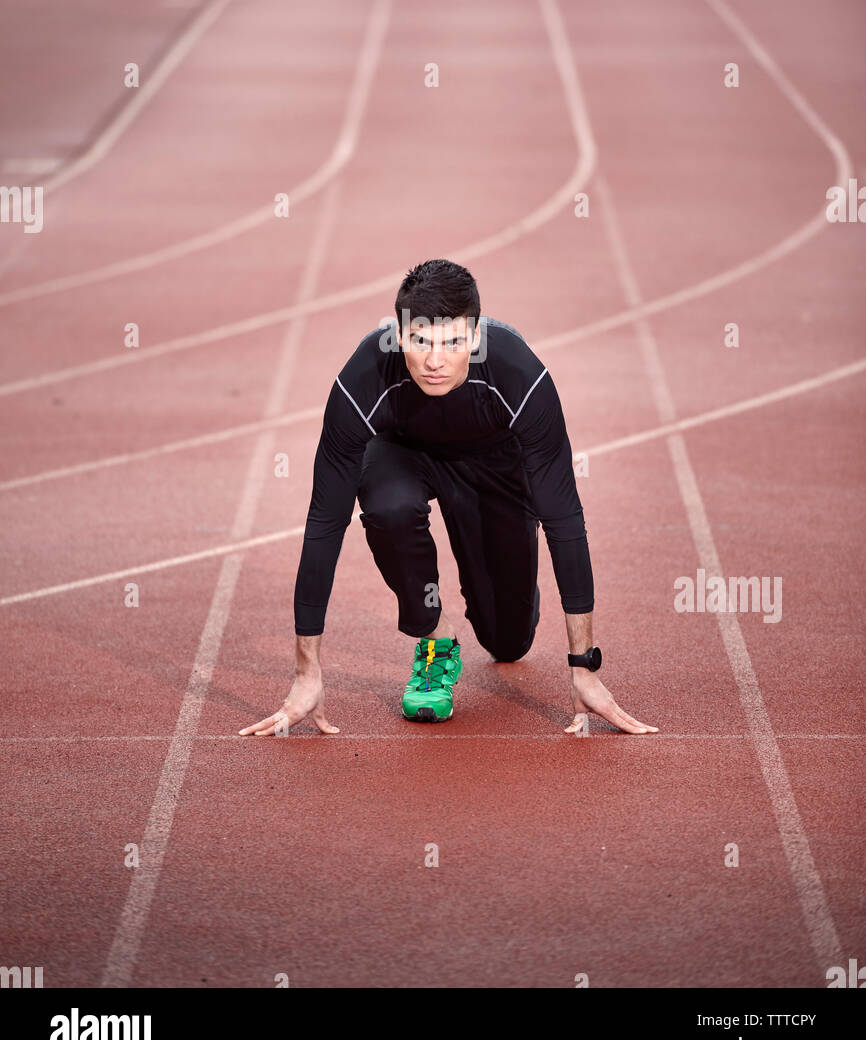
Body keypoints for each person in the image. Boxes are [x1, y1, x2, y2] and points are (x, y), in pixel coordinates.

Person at [240, 259, 658, 738]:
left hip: (493, 468)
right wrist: (305, 671)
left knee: (508, 641)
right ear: (398, 335)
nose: (435, 361)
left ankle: (499, 587)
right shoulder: (363, 378)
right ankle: (434, 637)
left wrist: (584, 665)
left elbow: (564, 517)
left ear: (475, 337)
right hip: (401, 456)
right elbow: (324, 521)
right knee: (388, 507)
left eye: (452, 342)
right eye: (420, 341)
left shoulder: (519, 375)